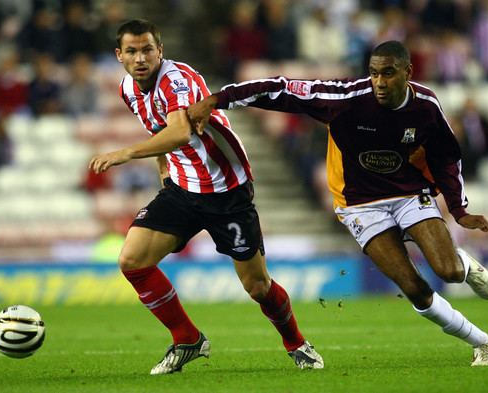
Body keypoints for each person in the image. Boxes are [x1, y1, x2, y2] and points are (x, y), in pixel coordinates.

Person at [188, 40, 488, 367]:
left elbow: (446, 157)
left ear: (408, 73)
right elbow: (279, 89)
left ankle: (461, 264)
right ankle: (480, 341)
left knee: (448, 271)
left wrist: (459, 209)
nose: (379, 82)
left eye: (389, 74)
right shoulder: (345, 99)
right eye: (374, 73)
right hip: (359, 204)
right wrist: (216, 99)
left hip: (409, 193)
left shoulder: (425, 105)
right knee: (414, 287)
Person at [88, 19, 323, 375]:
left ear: (160, 50)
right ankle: (187, 339)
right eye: (132, 51)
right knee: (132, 261)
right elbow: (159, 129)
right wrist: (162, 166)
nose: (140, 58)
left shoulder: (177, 79)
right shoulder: (128, 88)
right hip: (183, 189)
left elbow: (180, 131)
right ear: (119, 56)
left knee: (257, 286)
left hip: (227, 190)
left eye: (147, 49)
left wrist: (126, 153)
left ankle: (297, 343)